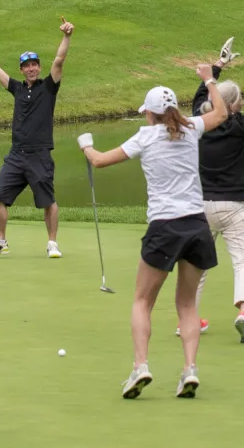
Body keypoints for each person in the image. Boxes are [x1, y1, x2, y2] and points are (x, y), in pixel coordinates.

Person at [79, 64, 229, 399]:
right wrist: (208, 79)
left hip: (165, 227)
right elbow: (221, 112)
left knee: (142, 301)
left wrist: (85, 146)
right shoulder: (192, 128)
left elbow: (100, 161)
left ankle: (140, 366)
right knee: (188, 306)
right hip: (196, 226)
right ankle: (189, 370)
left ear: (150, 114)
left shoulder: (145, 136)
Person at [187, 44, 244, 344]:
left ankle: (189, 318)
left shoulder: (200, 124)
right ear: (234, 105)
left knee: (198, 265)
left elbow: (200, 97)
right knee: (242, 261)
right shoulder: (240, 125)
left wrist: (218, 66)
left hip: (202, 206)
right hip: (234, 206)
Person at [0, 21, 73, 259]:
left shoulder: (49, 87)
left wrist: (67, 36)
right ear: (21, 69)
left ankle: (52, 243)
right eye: (26, 66)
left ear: (39, 67)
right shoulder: (16, 88)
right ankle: (0, 241)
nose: (31, 69)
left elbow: (59, 61)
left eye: (34, 65)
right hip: (17, 155)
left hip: (40, 154)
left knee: (48, 201)